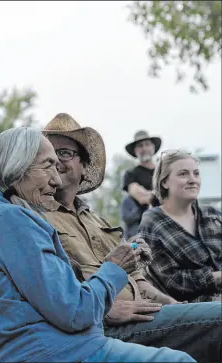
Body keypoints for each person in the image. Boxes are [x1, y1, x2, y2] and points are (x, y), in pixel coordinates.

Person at [0, 126, 193, 362]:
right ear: (17, 168)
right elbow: (76, 312)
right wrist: (114, 268)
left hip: (60, 345)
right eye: (48, 166)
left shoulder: (1, 216)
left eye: (62, 163)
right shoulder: (10, 220)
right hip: (58, 352)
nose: (57, 180)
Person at [41, 114, 222, 362]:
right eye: (48, 154)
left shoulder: (98, 221)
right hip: (103, 328)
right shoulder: (34, 216)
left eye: (64, 153)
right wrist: (101, 309)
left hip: (147, 312)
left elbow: (137, 277)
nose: (55, 161)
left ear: (84, 166)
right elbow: (51, 290)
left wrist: (172, 304)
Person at [139, 150, 222, 303]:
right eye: (183, 174)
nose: (193, 180)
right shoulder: (153, 222)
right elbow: (173, 282)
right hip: (193, 308)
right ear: (164, 182)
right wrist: (215, 277)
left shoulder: (213, 215)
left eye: (196, 174)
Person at [122, 130, 162, 239]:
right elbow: (141, 196)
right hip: (142, 227)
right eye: (140, 146)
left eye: (147, 144)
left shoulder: (163, 171)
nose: (144, 148)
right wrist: (161, 195)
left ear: (153, 147)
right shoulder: (131, 174)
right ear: (135, 151)